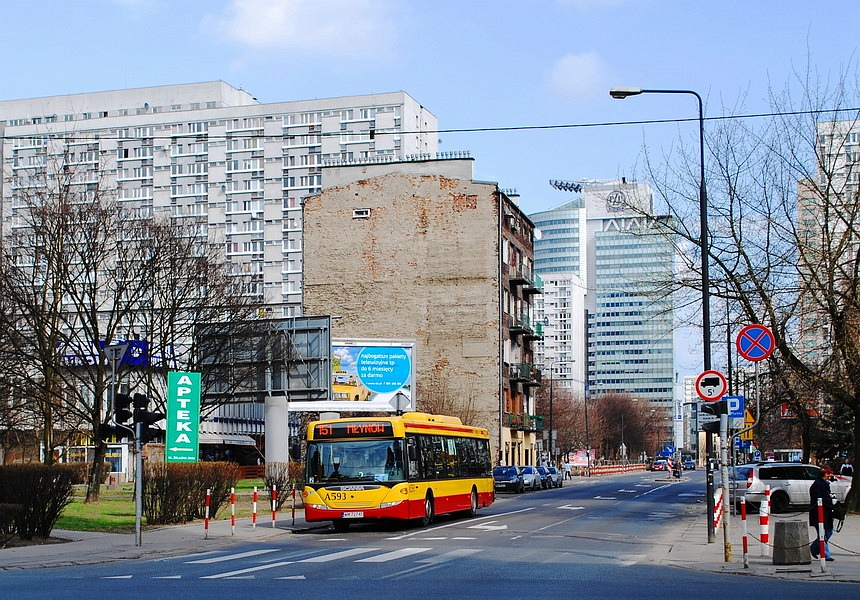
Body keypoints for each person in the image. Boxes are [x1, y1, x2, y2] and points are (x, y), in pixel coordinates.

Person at [809, 465, 836, 561]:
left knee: (828, 531)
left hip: (826, 512)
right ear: (824, 474)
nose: (830, 477)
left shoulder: (824, 483)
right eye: (828, 475)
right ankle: (826, 554)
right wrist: (830, 501)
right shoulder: (818, 484)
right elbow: (819, 498)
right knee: (822, 533)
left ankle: (815, 547)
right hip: (818, 513)